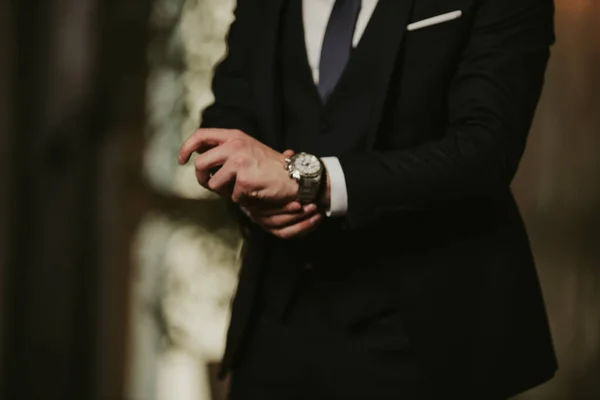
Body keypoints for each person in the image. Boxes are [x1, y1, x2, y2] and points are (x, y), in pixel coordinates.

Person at [178, 0, 557, 398]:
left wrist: (315, 182)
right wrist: (251, 197)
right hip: (274, 325)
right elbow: (228, 118)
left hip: (422, 334)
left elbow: (485, 150)